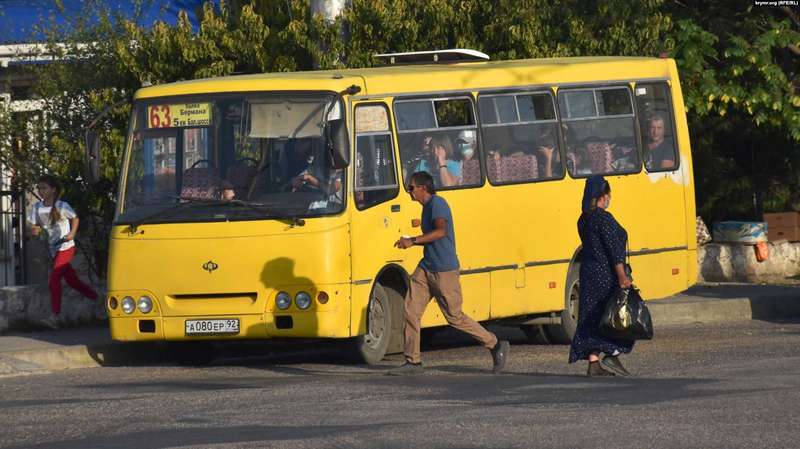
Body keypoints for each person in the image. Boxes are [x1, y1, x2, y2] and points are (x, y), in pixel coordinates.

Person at [389, 171, 510, 375]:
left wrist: (413, 241)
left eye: (411, 188)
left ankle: (495, 344)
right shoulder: (426, 207)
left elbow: (440, 231)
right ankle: (413, 361)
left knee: (455, 317)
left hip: (444, 271)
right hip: (426, 268)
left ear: (422, 188)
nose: (409, 192)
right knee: (410, 311)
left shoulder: (437, 204)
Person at [568, 175, 634, 377]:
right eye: (608, 194)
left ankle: (594, 362)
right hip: (606, 275)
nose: (609, 198)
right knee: (614, 315)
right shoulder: (604, 218)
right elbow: (614, 251)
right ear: (602, 196)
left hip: (588, 273)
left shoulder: (584, 219)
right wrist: (622, 277)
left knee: (593, 317)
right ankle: (613, 353)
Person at [28, 175, 98, 330]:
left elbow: (75, 218)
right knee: (73, 281)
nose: (40, 191)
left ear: (53, 190)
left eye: (44, 188)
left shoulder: (62, 205)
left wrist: (72, 232)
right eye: (39, 188)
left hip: (66, 247)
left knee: (54, 279)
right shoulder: (37, 208)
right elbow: (33, 225)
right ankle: (96, 299)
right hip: (53, 248)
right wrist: (35, 231)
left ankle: (55, 316)